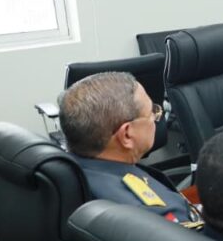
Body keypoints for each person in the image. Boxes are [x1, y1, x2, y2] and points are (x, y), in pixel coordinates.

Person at [58, 71, 201, 226]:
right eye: (151, 112)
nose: (155, 117)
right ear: (127, 134)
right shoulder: (159, 215)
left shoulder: (63, 175)